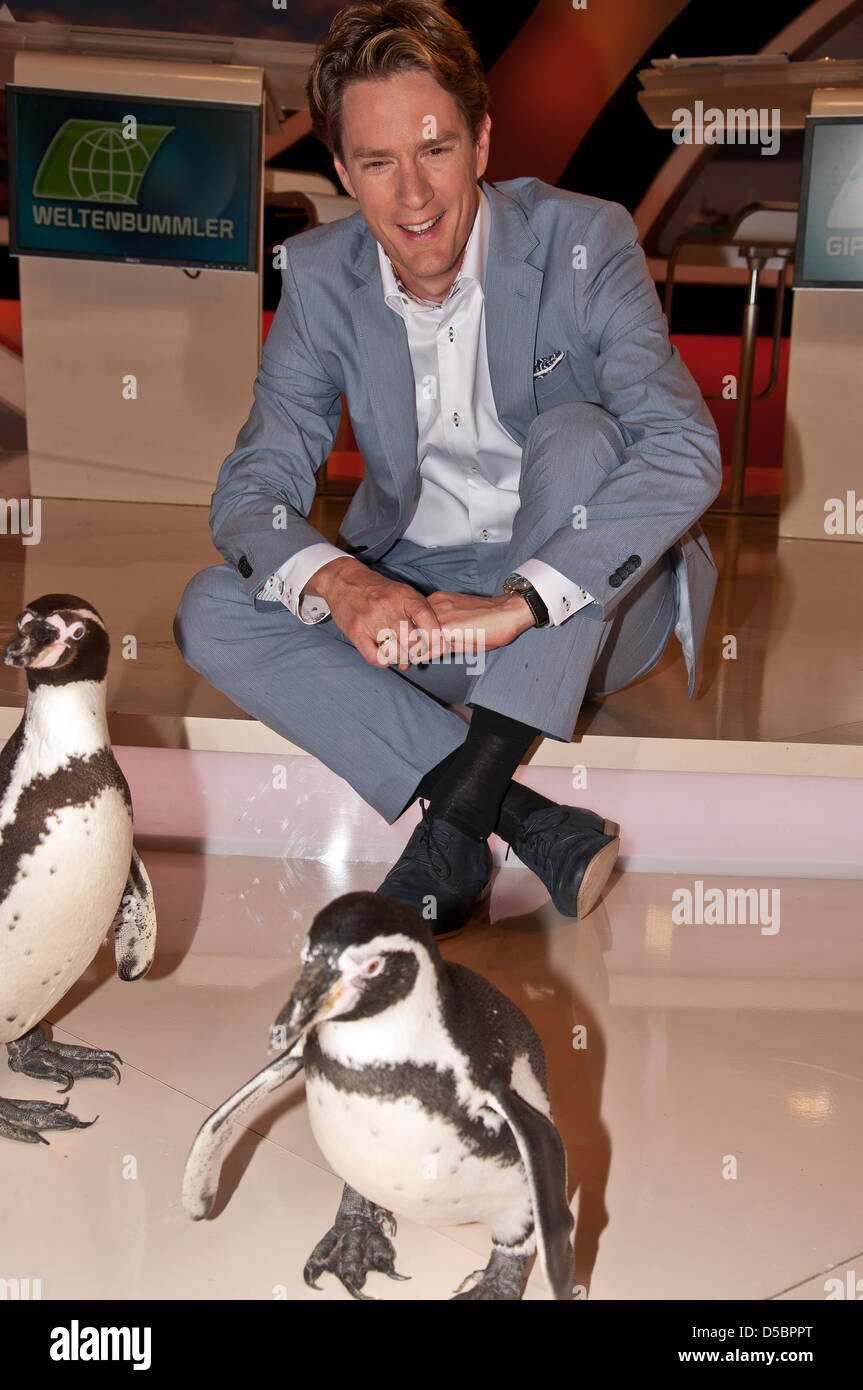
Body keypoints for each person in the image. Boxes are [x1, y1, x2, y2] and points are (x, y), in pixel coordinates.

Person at [174, 0, 721, 939]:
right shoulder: (318, 278)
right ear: (344, 171)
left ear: (480, 143)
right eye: (378, 163)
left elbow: (683, 449)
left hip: (587, 615)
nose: (413, 195)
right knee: (212, 608)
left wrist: (521, 602)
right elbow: (251, 492)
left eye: (434, 150)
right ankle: (528, 820)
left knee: (581, 435)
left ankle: (457, 829)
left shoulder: (582, 240)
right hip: (425, 611)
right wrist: (345, 584)